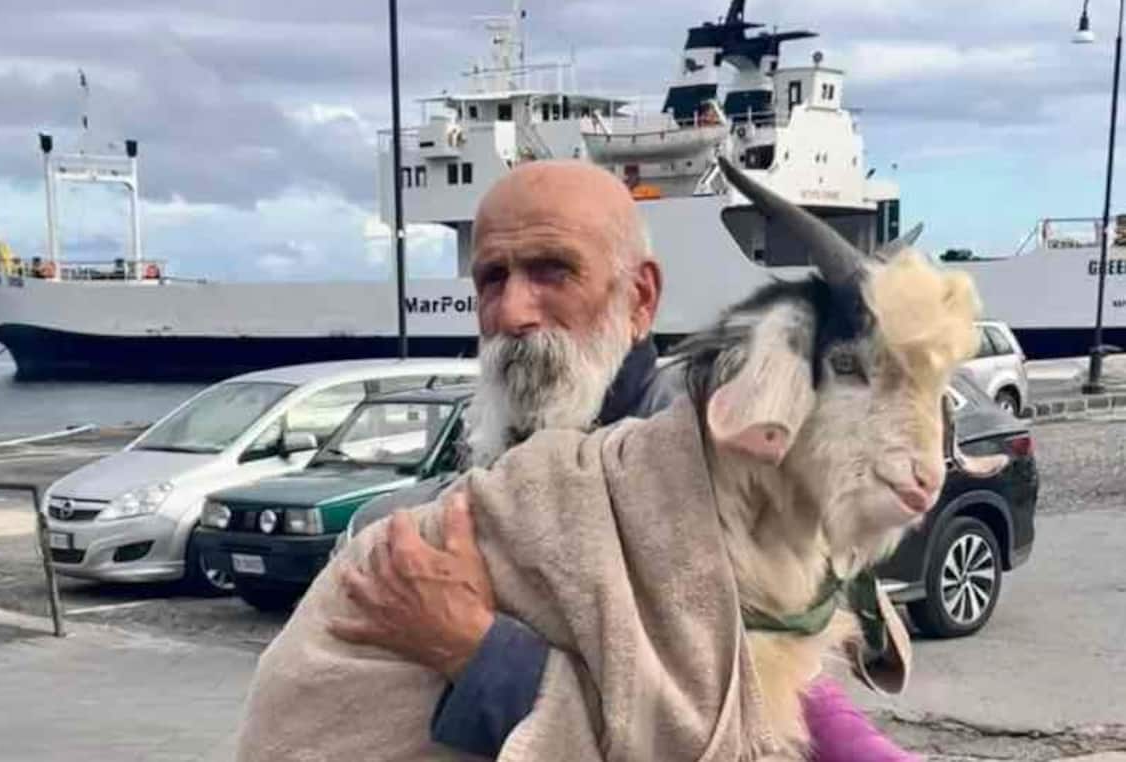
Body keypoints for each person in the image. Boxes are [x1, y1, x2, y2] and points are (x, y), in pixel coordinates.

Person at [327, 160, 917, 762]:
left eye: (551, 270)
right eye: (491, 279)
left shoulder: (718, 462)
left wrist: (471, 648)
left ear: (640, 297)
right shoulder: (480, 467)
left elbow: (734, 706)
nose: (511, 313)